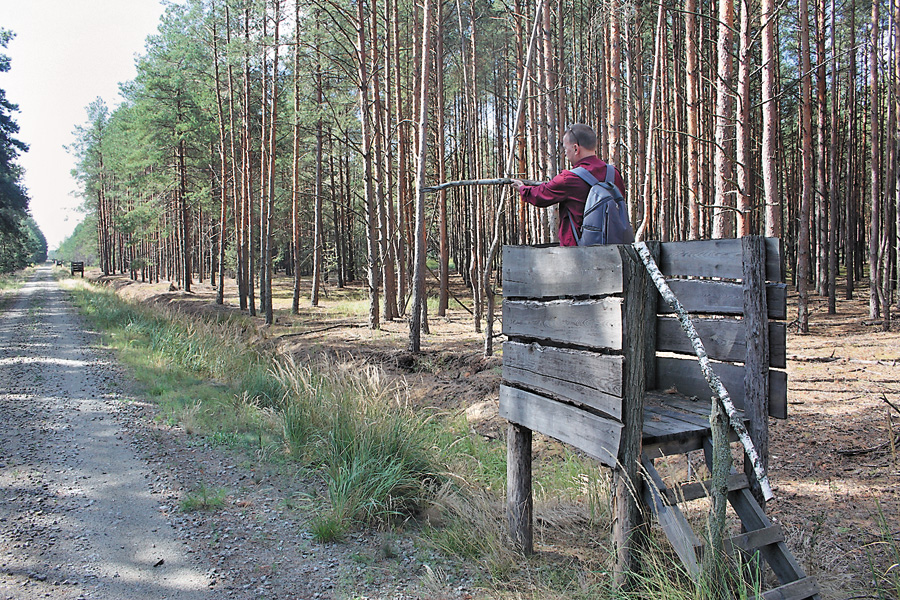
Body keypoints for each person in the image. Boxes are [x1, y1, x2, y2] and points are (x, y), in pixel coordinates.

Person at [511, 124, 626, 247]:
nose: (565, 153)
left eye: (566, 149)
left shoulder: (569, 178)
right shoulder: (613, 173)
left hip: (577, 254)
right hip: (613, 251)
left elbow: (540, 195)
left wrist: (523, 188)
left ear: (576, 148)